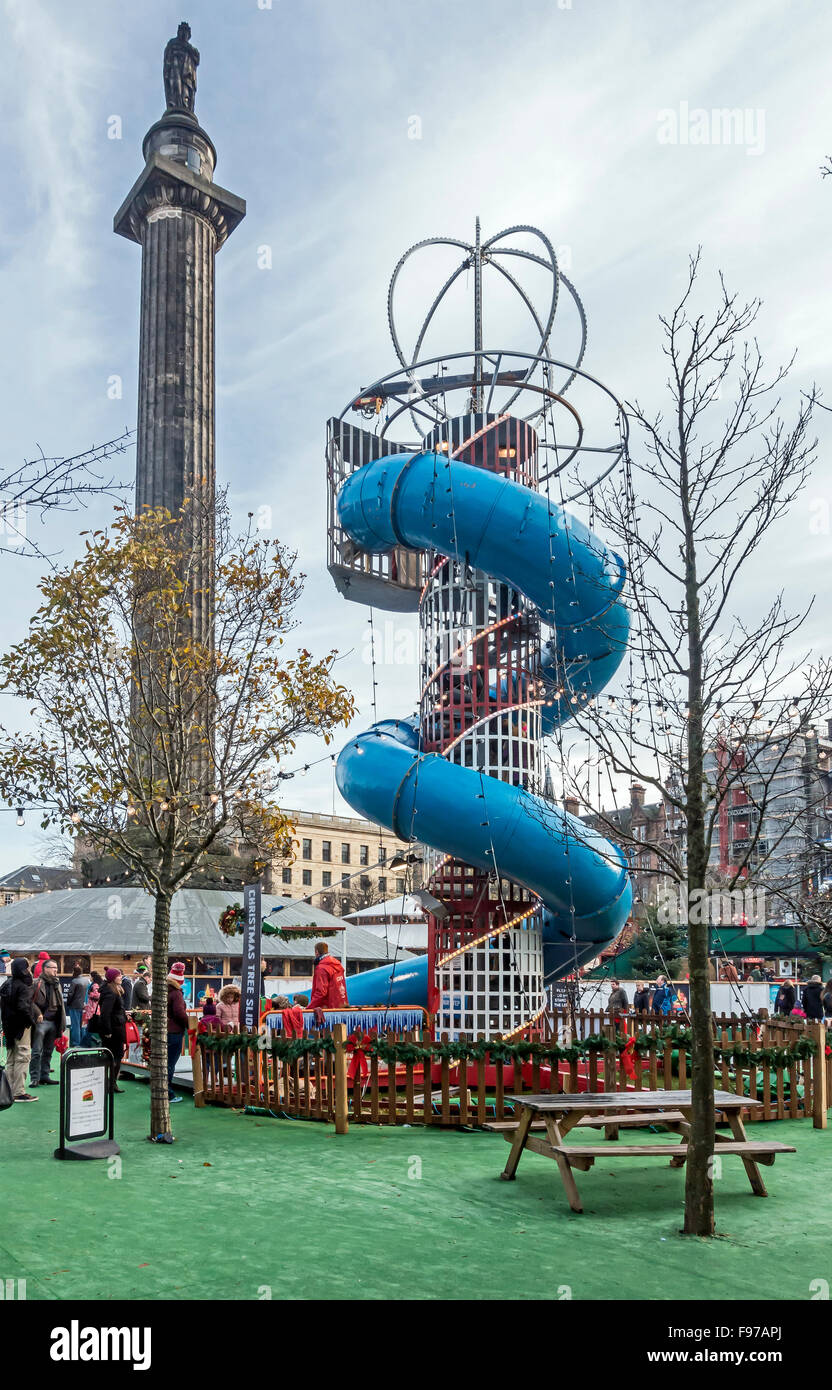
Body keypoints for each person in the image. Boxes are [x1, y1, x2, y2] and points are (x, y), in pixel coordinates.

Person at [0, 957, 42, 1102]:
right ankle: (18, 1092)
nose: (29, 971)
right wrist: (31, 1021)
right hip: (21, 1026)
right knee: (23, 1057)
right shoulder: (23, 986)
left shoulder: (7, 984)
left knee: (11, 1058)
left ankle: (9, 1090)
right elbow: (23, 1007)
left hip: (8, 1026)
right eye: (27, 968)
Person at [29, 959, 65, 1087]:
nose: (56, 970)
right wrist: (38, 1012)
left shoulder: (57, 984)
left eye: (56, 967)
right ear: (45, 969)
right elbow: (29, 1001)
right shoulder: (36, 983)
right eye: (53, 967)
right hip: (41, 1021)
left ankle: (45, 1076)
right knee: (37, 1051)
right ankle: (34, 1078)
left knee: (49, 1051)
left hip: (54, 1021)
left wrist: (62, 1023)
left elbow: (61, 1005)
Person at [98, 968, 127, 1093]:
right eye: (118, 976)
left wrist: (125, 1016)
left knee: (114, 1056)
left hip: (115, 1026)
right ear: (113, 978)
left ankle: (110, 1083)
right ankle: (110, 1083)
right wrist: (108, 1031)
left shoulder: (113, 990)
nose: (121, 977)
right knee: (116, 1055)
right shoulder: (111, 992)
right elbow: (105, 1013)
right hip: (113, 1029)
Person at [167, 961, 190, 1104]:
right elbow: (179, 1013)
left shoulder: (164, 990)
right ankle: (168, 1094)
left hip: (164, 1029)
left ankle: (162, 1091)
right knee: (170, 1063)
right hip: (174, 1031)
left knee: (164, 1063)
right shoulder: (176, 993)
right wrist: (189, 1024)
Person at [309, 942, 348, 1010]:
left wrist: (309, 1008)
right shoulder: (337, 965)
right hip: (341, 1006)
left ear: (316, 952)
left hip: (327, 1008)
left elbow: (321, 992)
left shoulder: (321, 968)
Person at [65, 964, 90, 1048]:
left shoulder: (74, 981)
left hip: (75, 1006)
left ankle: (76, 1043)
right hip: (84, 1005)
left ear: (74, 972)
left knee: (75, 1025)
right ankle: (83, 1042)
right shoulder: (86, 980)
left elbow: (70, 994)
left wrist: (68, 1003)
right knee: (83, 1025)